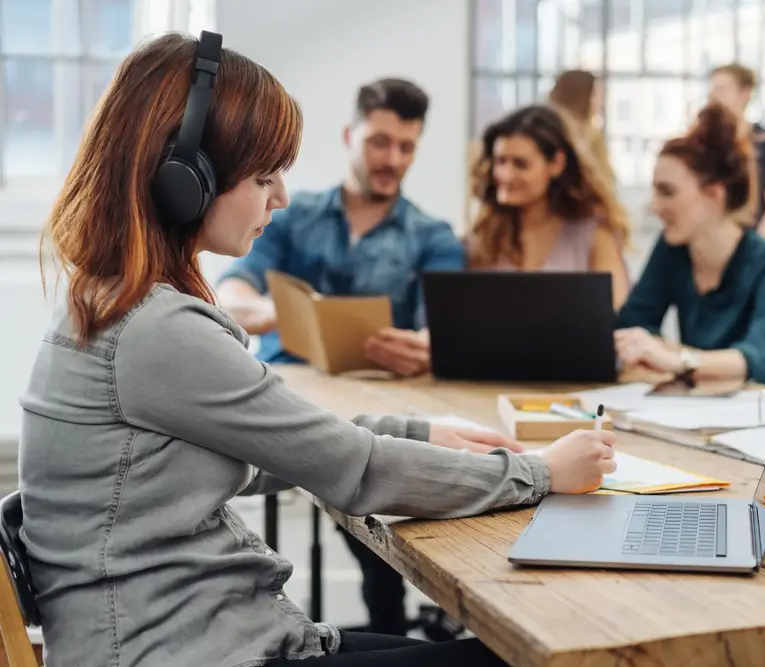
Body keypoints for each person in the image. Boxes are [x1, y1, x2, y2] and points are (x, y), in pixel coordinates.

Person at [19, 31, 617, 667]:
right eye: (264, 175)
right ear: (181, 180)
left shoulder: (112, 300)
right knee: (531, 655)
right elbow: (355, 471)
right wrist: (543, 473)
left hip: (202, 635)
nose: (279, 197)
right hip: (185, 651)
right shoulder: (154, 329)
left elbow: (277, 450)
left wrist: (419, 430)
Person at [613, 102, 765, 406]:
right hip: (738, 411)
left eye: (667, 192)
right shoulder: (673, 250)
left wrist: (676, 358)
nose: (654, 206)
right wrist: (657, 350)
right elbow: (632, 326)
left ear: (715, 194)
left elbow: (761, 359)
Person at [216, 76, 461, 378]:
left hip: (381, 392)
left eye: (406, 147)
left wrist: (425, 349)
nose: (392, 160)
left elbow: (443, 332)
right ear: (349, 136)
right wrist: (290, 314)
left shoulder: (436, 238)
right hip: (285, 385)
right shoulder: (288, 216)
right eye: (379, 142)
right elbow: (228, 298)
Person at [466, 104, 631, 309]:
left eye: (520, 164)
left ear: (556, 164)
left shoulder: (593, 238)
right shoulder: (482, 240)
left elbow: (618, 317)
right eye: (500, 161)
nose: (505, 175)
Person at [708, 63, 765, 241]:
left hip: (755, 245)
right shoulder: (705, 146)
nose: (714, 98)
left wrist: (754, 257)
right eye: (712, 91)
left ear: (745, 92)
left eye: (722, 90)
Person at [546, 69, 615, 186]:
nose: (601, 102)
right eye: (596, 95)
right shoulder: (588, 138)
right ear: (583, 96)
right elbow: (603, 180)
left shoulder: (592, 134)